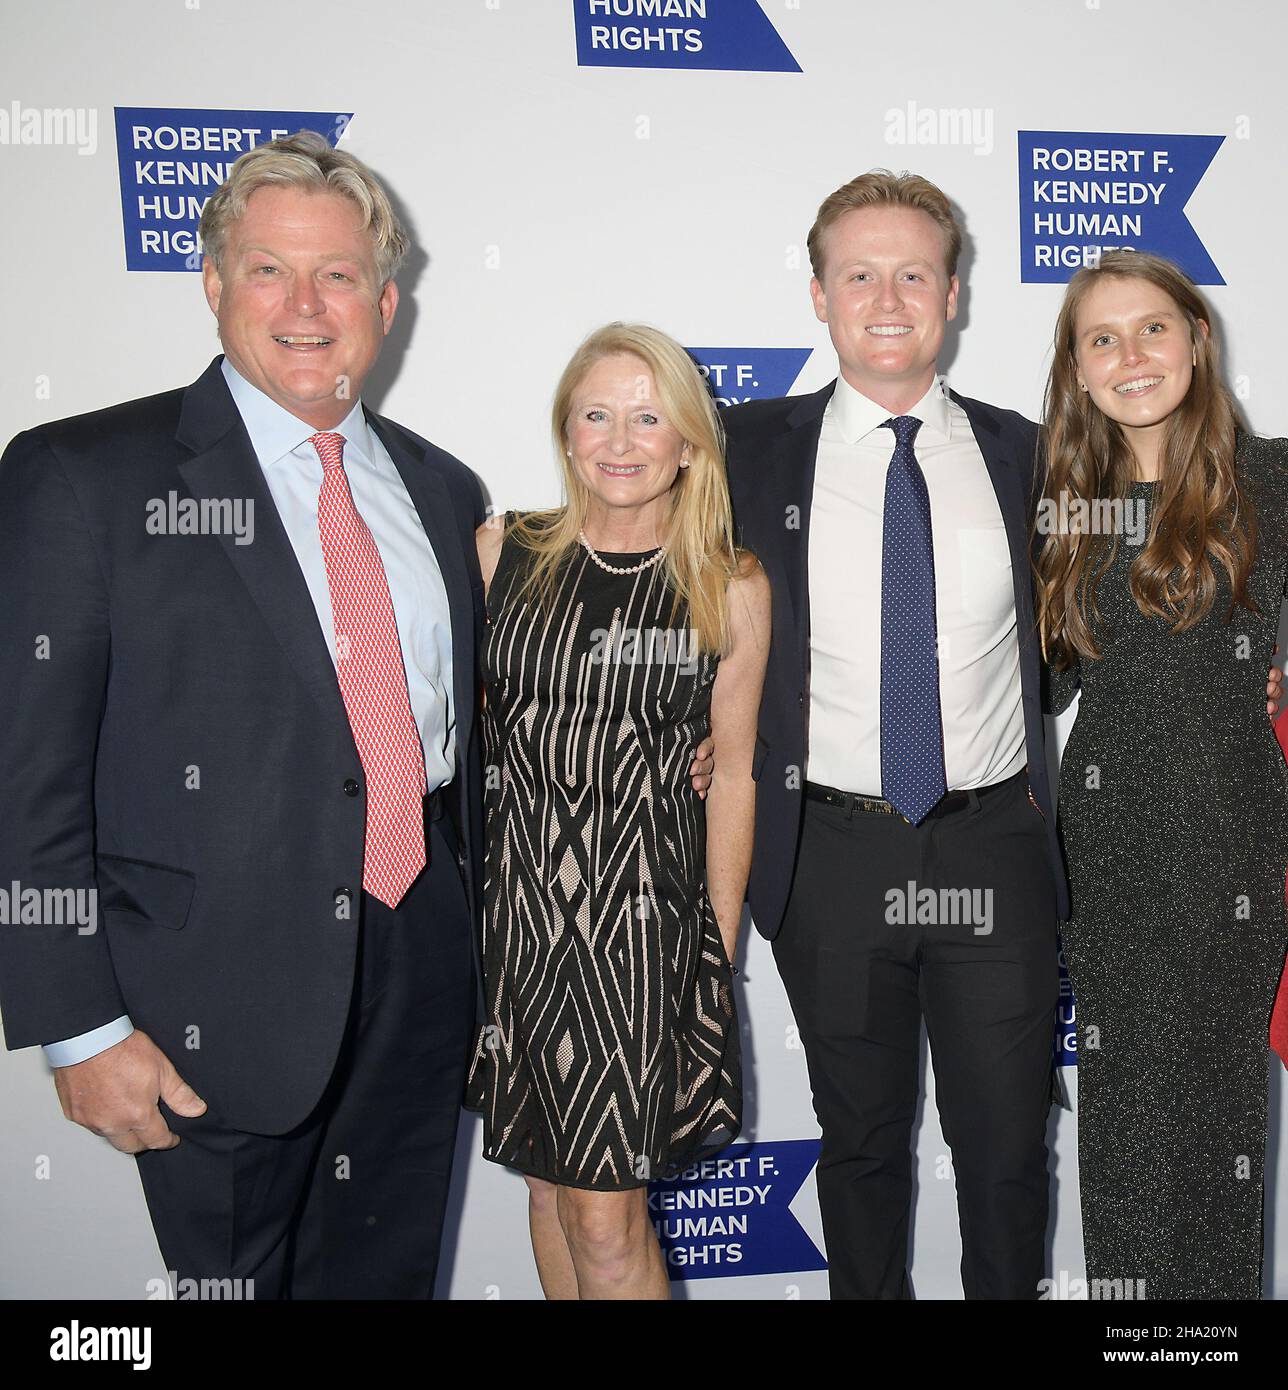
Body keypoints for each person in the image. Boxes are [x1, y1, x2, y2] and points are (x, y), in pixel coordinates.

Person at [0, 131, 487, 1298]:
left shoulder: (441, 486)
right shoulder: (83, 473)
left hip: (423, 960)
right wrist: (76, 1025)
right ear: (214, 285)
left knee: (384, 1276)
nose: (307, 303)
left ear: (386, 296)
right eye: (269, 268)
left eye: (338, 273)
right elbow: (27, 775)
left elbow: (460, 733)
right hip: (206, 993)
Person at [720, 170, 1067, 1299]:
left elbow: (1102, 620)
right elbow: (643, 579)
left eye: (911, 273)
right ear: (817, 294)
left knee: (1008, 1156)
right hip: (828, 854)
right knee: (860, 1152)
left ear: (953, 294)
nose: (885, 297)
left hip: (993, 849)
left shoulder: (1032, 456)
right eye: (858, 273)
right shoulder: (740, 450)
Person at [465, 323, 770, 1299]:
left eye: (649, 417)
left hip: (639, 938)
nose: (621, 439)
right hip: (516, 933)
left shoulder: (728, 584)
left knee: (605, 1216)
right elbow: (470, 736)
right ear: (565, 431)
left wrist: (713, 948)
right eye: (596, 413)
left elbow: (732, 774)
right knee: (551, 1193)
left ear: (687, 441)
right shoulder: (497, 552)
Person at [1035, 250, 1288, 1300]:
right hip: (1111, 849)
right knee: (1128, 1129)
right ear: (1078, 368)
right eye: (1102, 337)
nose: (1130, 355)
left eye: (1152, 329)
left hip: (1238, 833)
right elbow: (1025, 678)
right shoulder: (1059, 500)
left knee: (1224, 1128)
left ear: (1195, 339)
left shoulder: (1271, 477)